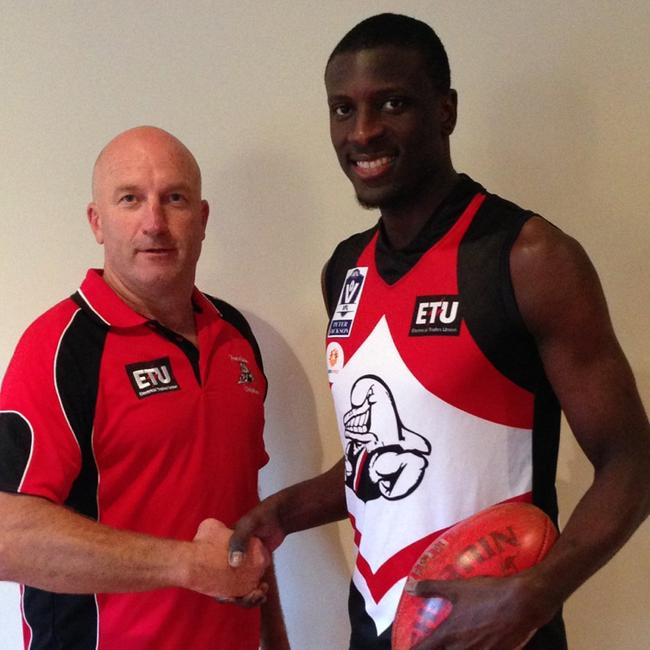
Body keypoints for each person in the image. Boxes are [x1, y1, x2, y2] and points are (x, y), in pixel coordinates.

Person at [229, 13, 650, 650]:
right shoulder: (345, 271)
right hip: (376, 625)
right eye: (343, 110)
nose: (363, 131)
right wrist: (285, 510)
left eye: (391, 104)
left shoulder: (528, 257)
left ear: (446, 110)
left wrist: (534, 597)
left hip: (497, 634)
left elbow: (632, 464)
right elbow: (391, 456)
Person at [0, 126, 288, 650]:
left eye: (174, 199)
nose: (154, 223)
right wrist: (184, 565)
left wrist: (276, 639)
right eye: (130, 199)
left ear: (201, 220)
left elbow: (242, 523)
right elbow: (6, 538)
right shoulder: (60, 348)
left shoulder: (236, 339)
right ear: (97, 222)